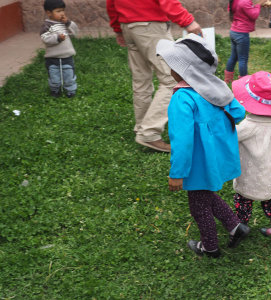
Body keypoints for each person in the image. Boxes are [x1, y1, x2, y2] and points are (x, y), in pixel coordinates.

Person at [157, 34, 250, 258]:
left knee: (198, 206)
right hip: (220, 156)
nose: (169, 68)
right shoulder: (216, 87)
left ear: (181, 70)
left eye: (172, 64)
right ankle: (236, 226)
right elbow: (238, 113)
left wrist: (177, 173)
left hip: (199, 163)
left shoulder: (182, 99)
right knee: (205, 195)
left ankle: (209, 247)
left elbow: (182, 141)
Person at [106, 0, 202, 153]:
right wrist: (187, 21)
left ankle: (142, 128)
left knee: (141, 81)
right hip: (150, 25)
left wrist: (118, 29)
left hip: (128, 26)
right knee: (173, 79)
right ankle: (149, 133)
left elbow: (111, 3)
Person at [232, 71, 271, 239]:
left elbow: (230, 136)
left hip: (251, 178)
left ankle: (239, 227)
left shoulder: (249, 126)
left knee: (243, 202)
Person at [40, 0, 78, 98]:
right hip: (53, 58)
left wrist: (68, 23)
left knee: (69, 75)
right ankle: (55, 91)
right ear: (49, 13)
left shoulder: (65, 23)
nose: (62, 13)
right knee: (54, 76)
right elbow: (45, 38)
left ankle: (70, 91)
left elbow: (75, 32)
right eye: (58, 11)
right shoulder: (46, 25)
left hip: (67, 56)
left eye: (63, 11)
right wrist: (57, 38)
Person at [224, 0, 261, 84]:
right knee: (243, 59)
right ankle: (243, 82)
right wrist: (258, 5)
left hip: (234, 31)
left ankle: (228, 80)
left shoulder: (235, 1)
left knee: (233, 56)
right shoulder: (244, 2)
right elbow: (254, 15)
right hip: (242, 34)